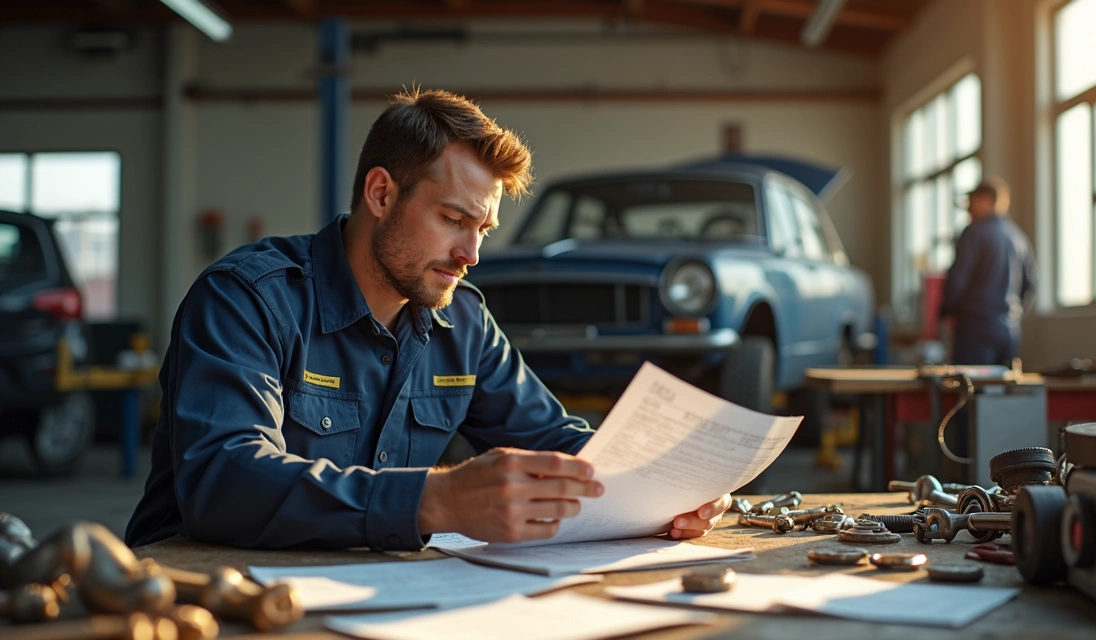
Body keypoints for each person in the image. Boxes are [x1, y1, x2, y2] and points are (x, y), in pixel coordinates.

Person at [126, 89, 731, 550]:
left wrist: (662, 481)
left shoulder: (462, 322)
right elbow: (224, 477)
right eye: (452, 219)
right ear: (382, 194)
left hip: (369, 592)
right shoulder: (247, 299)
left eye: (482, 229)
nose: (471, 254)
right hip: (200, 596)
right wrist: (433, 501)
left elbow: (554, 444)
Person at [940, 176, 1037, 366]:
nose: (968, 208)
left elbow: (958, 279)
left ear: (986, 201)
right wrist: (1013, 314)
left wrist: (945, 312)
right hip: (1009, 331)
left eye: (972, 201)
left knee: (971, 389)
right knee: (1000, 391)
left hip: (975, 330)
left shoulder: (974, 233)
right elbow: (1031, 284)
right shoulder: (1019, 238)